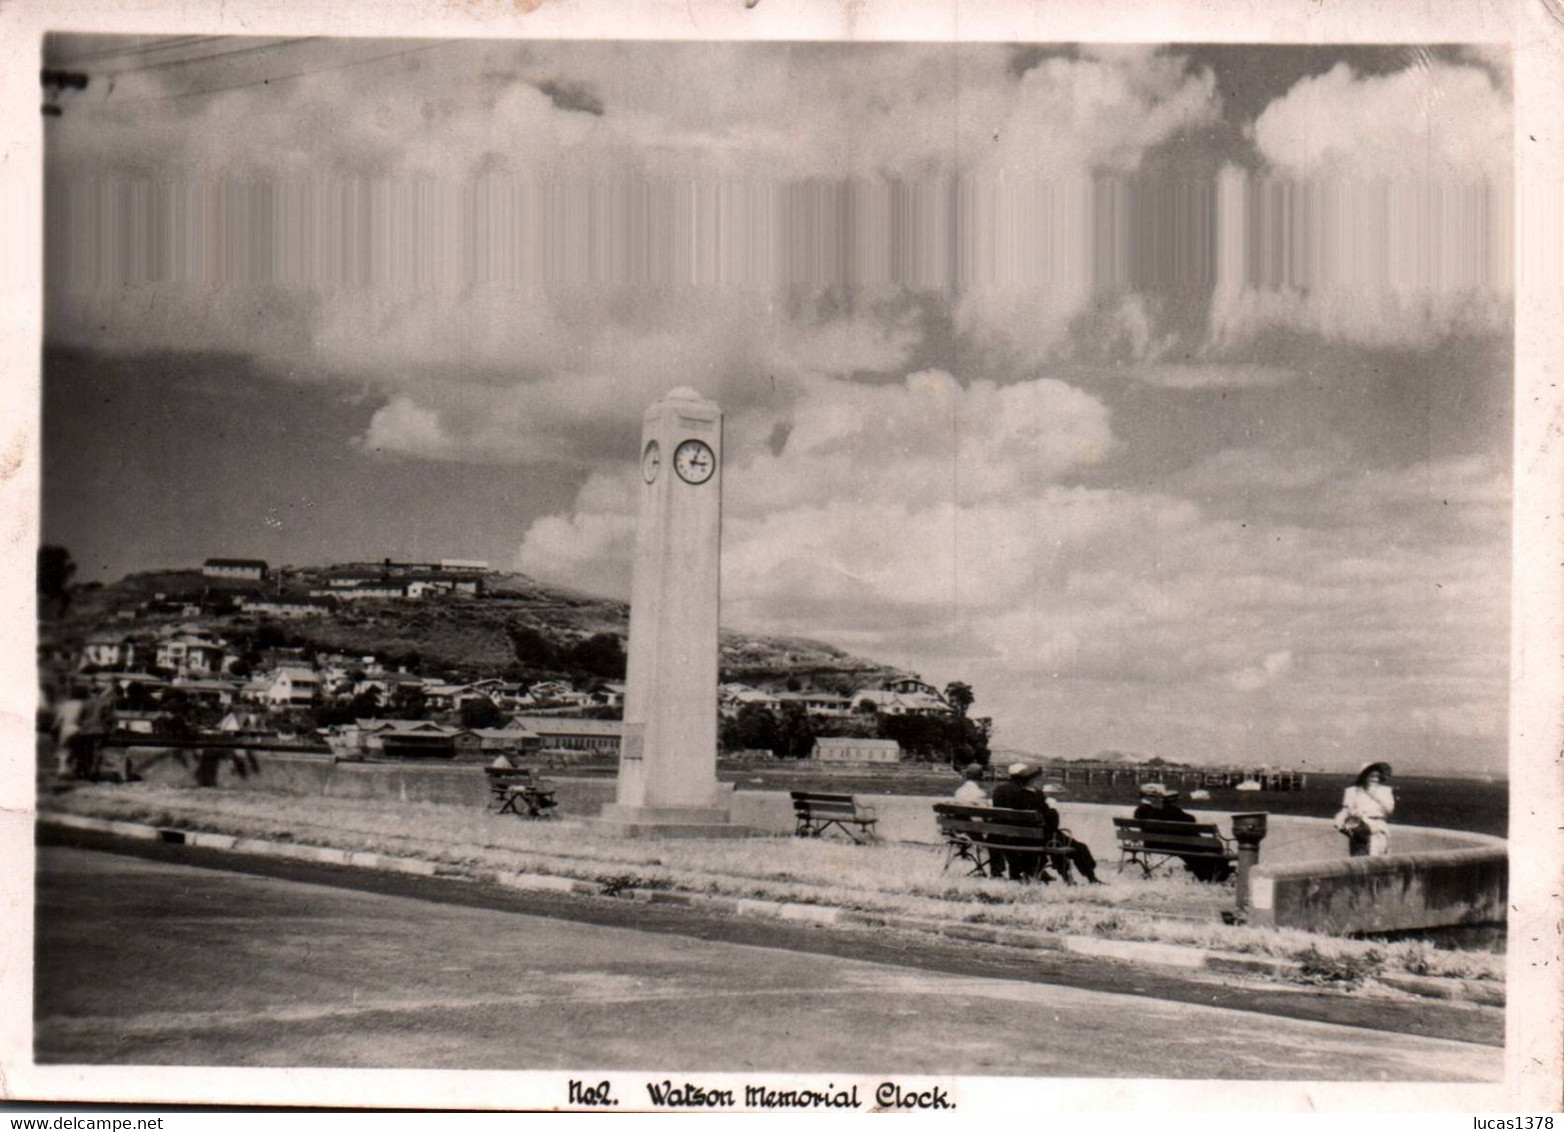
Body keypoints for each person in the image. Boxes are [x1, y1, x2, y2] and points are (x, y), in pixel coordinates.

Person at [1133, 783, 1231, 882]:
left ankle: (1209, 874)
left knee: (1196, 850)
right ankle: (1216, 874)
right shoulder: (1164, 811)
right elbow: (1191, 820)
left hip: (1153, 843)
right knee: (1211, 845)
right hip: (1174, 844)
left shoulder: (1139, 811)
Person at [989, 763, 1059, 883]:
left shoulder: (999, 790)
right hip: (1021, 836)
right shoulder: (1024, 793)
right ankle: (1035, 871)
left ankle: (1026, 872)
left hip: (1000, 834)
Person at [1041, 783, 1104, 884]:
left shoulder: (1030, 804)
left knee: (1060, 847)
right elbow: (1054, 825)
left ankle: (1068, 878)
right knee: (1080, 847)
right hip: (1050, 839)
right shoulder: (1048, 806)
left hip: (1035, 840)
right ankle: (1091, 878)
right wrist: (1052, 809)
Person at [1336, 761, 1395, 857]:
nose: (1375, 779)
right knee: (1359, 859)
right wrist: (1347, 828)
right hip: (1359, 830)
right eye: (1371, 776)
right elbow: (1344, 812)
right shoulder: (1351, 791)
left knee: (1378, 859)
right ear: (1364, 776)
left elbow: (1390, 810)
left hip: (1378, 829)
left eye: (1377, 776)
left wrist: (1375, 795)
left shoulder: (1385, 791)